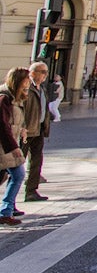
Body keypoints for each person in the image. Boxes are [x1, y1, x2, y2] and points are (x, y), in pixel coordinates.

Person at [0, 67, 31, 225]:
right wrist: (15, 149)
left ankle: (7, 209)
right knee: (18, 174)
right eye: (26, 79)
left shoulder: (15, 97)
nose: (28, 82)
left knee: (13, 175)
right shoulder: (4, 98)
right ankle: (5, 211)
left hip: (7, 146)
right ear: (18, 80)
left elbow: (13, 122)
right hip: (5, 147)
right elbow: (3, 126)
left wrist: (22, 130)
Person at [21, 61, 52, 202]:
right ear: (33, 73)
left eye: (46, 72)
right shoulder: (26, 88)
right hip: (26, 131)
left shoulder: (42, 89)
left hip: (38, 130)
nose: (45, 75)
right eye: (42, 72)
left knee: (36, 161)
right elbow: (20, 110)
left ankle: (31, 191)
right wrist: (22, 127)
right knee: (15, 164)